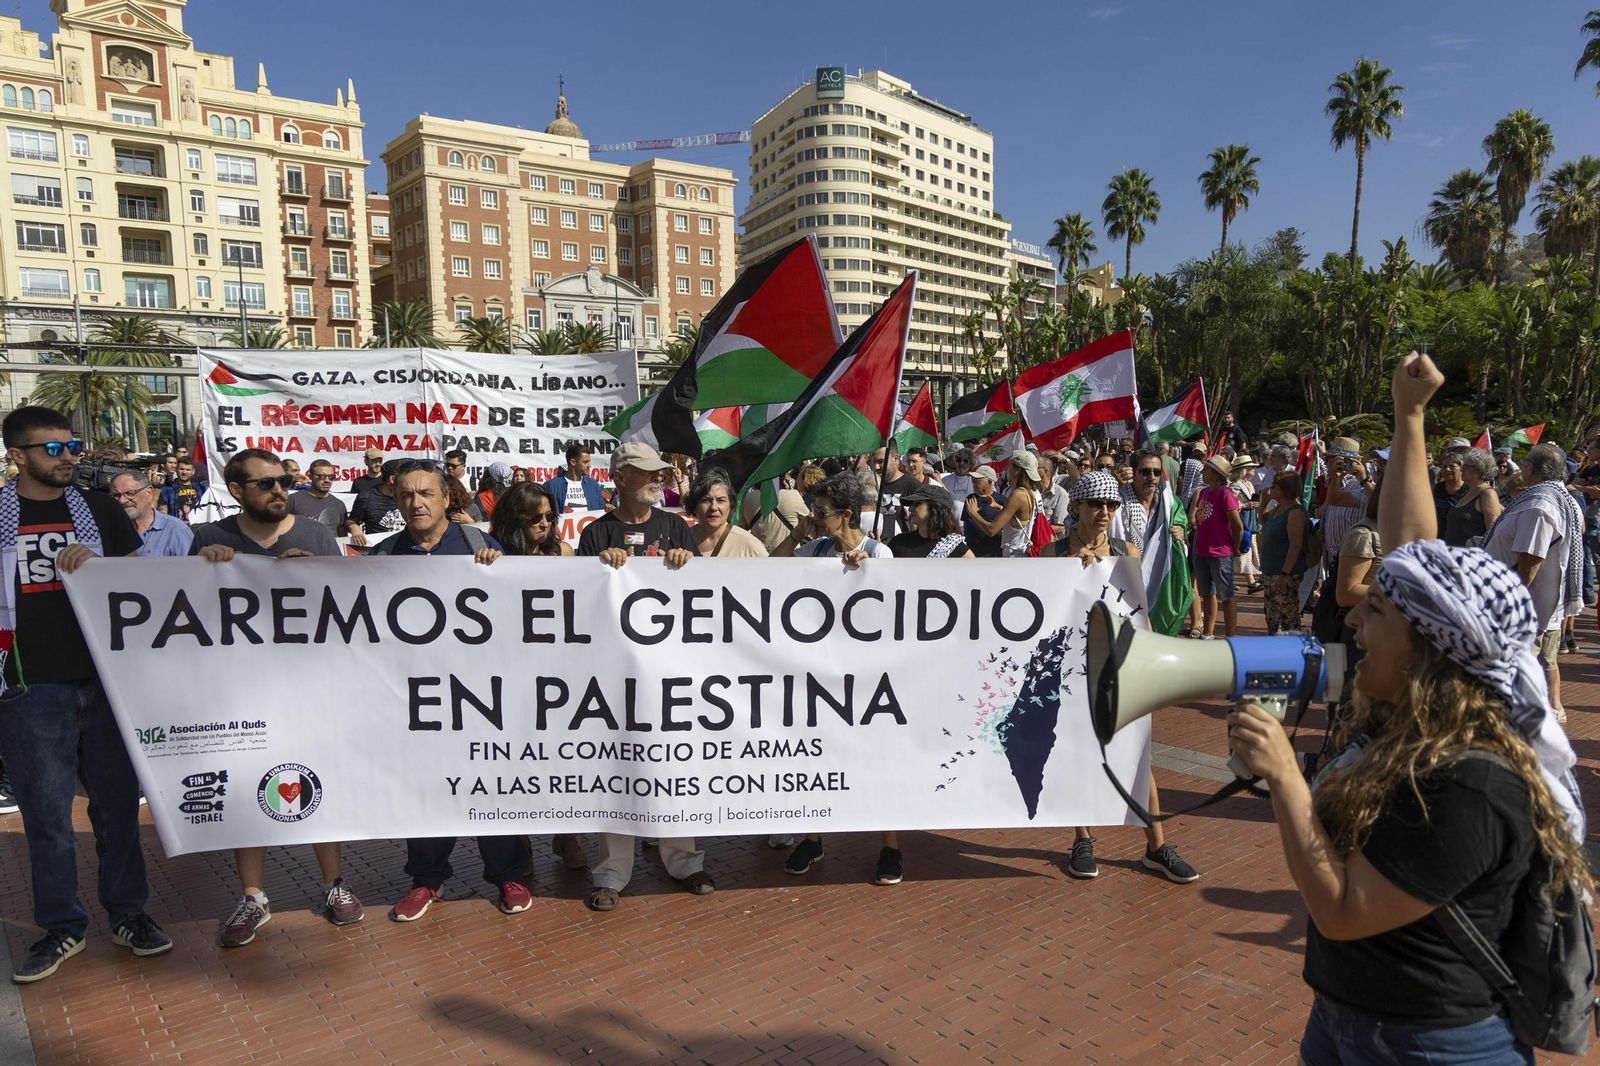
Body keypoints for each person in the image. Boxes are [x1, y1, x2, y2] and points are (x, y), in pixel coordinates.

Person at [1227, 350, 1589, 1066]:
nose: (1356, 624)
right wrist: (1409, 414)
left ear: (1428, 649)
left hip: (1434, 1045)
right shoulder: (1423, 714)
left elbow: (1344, 909)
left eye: (1379, 614)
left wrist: (1287, 780)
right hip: (1347, 1022)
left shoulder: (1475, 778)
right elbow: (1411, 548)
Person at [0, 406, 170, 981]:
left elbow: (141, 583)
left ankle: (129, 915)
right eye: (52, 448)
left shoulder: (99, 510)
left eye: (71, 444)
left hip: (106, 683)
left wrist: (102, 567)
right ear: (17, 455)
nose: (68, 455)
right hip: (28, 686)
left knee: (117, 809)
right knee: (46, 817)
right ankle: (61, 927)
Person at [189, 449, 361, 945]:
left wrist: (317, 572)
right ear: (236, 490)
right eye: (264, 484)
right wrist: (206, 571)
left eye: (283, 480)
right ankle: (253, 896)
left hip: (311, 688)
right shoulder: (208, 538)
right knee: (248, 789)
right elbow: (183, 613)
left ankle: (333, 884)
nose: (279, 490)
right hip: (240, 690)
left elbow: (350, 605)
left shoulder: (315, 534)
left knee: (320, 784)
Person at [372, 461, 532, 920]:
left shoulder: (481, 546)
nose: (416, 503)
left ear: (446, 498)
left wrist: (502, 573)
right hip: (417, 699)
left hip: (481, 696)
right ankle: (426, 880)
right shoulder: (383, 559)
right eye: (406, 495)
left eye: (425, 493)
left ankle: (508, 875)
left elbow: (515, 615)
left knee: (492, 783)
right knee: (425, 790)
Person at [1039, 471, 1200, 885]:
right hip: (1068, 670)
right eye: (1096, 504)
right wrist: (1069, 571)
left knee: (1137, 757)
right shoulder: (1050, 552)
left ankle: (1156, 845)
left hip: (1117, 668)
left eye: (1110, 505)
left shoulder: (1125, 551)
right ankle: (1083, 838)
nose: (1104, 512)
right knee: (1077, 754)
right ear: (1076, 507)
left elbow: (1136, 611)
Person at [576, 442, 712, 910]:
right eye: (648, 472)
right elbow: (577, 605)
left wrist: (685, 565)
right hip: (613, 675)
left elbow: (700, 595)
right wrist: (601, 570)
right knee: (614, 768)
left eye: (660, 471)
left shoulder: (675, 526)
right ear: (621, 479)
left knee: (674, 763)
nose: (660, 478)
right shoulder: (596, 534)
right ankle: (612, 872)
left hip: (669, 673)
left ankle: (684, 862)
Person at [781, 471, 896, 880]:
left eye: (822, 511)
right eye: (814, 508)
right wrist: (797, 536)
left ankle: (889, 847)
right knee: (814, 755)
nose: (815, 516)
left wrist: (868, 572)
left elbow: (892, 611)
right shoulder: (813, 549)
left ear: (847, 514)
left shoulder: (879, 553)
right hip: (819, 674)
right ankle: (812, 840)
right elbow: (766, 571)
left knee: (879, 758)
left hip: (867, 677)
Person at [484, 481, 585, 871]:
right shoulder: (496, 558)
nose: (544, 524)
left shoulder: (565, 553)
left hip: (560, 672)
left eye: (549, 516)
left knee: (562, 760)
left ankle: (567, 835)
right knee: (518, 763)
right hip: (512, 673)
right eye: (534, 518)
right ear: (514, 521)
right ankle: (521, 845)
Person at [1482, 443, 1583, 724]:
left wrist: (1506, 605)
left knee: (1515, 686)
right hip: (1542, 608)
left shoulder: (1540, 505)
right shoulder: (1561, 499)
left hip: (1525, 610)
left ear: (1529, 469)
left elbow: (1529, 562)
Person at [1190, 456, 1243, 639]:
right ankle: (1208, 631)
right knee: (1207, 593)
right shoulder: (1204, 492)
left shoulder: (1225, 494)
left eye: (1206, 470)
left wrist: (1234, 547)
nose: (1203, 473)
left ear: (1216, 474)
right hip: (1201, 551)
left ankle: (1231, 635)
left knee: (1226, 594)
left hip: (1221, 553)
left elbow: (1237, 525)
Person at [1258, 472, 1309, 636]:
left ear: (1284, 489)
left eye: (1274, 486)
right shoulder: (1278, 509)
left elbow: (1295, 546)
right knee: (1272, 617)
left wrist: (1285, 574)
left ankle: (1292, 654)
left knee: (1287, 617)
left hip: (1284, 574)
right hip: (1270, 573)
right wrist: (1264, 504)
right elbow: (1263, 523)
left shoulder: (1295, 513)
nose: (1270, 489)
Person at [964, 450, 1041, 558]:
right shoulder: (1035, 492)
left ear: (1017, 471)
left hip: (1014, 554)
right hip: (1024, 551)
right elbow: (1020, 518)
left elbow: (991, 530)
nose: (1006, 469)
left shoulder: (1018, 495)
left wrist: (973, 514)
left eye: (1009, 466)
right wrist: (999, 507)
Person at [688, 468, 768, 558]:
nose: (713, 507)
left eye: (720, 500)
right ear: (694, 505)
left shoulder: (749, 545)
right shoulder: (680, 539)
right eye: (706, 500)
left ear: (731, 505)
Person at [111, 471, 193, 558]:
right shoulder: (107, 530)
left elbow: (191, 569)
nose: (122, 500)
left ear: (149, 493)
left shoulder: (176, 530)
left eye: (130, 493)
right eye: (116, 495)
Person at [1444, 448, 1502, 549]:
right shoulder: (1467, 492)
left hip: (1471, 560)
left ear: (1479, 469)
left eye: (1466, 466)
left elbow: (1492, 535)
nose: (1462, 469)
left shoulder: (1487, 494)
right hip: (1453, 557)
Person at [287, 459, 349, 536]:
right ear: (310, 476)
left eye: (331, 477)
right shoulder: (293, 500)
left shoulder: (339, 504)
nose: (327, 480)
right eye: (321, 476)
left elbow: (342, 536)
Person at [546, 443, 609, 513]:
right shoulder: (551, 486)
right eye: (585, 462)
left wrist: (607, 508)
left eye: (589, 462)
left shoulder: (593, 485)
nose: (589, 465)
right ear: (573, 462)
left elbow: (600, 509)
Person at [961, 465, 1007, 558]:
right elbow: (966, 523)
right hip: (972, 553)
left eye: (977, 480)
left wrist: (976, 513)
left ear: (989, 482)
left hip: (992, 553)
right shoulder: (970, 498)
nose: (973, 483)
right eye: (972, 480)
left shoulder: (1002, 501)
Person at [940, 447, 975, 511]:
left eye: (965, 461)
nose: (961, 463)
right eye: (959, 460)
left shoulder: (976, 481)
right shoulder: (945, 480)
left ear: (971, 464)